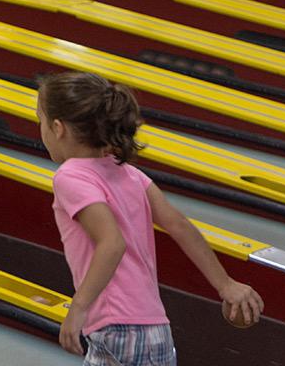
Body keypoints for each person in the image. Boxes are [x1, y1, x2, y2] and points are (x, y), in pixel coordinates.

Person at [38, 71, 263, 364]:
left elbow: (111, 243)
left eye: (39, 120)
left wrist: (78, 307)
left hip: (116, 326)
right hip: (154, 327)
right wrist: (225, 284)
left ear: (58, 128)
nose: (40, 130)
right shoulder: (131, 175)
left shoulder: (70, 176)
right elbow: (179, 225)